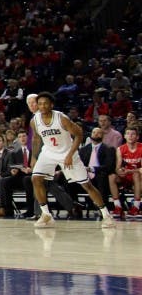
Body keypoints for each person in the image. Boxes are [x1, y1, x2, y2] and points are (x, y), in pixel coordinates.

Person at [28, 92, 114, 228]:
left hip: (67, 153)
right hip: (48, 153)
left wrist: (70, 155)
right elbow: (37, 138)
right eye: (39, 103)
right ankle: (46, 215)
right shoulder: (34, 121)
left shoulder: (61, 118)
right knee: (36, 178)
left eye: (45, 103)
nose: (42, 106)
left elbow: (79, 134)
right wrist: (33, 157)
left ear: (51, 105)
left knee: (86, 185)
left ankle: (106, 215)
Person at [112, 126, 142, 218]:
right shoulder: (120, 149)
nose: (130, 136)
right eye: (128, 134)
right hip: (126, 175)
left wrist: (130, 171)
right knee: (111, 176)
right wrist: (119, 171)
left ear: (137, 137)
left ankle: (135, 207)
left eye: (133, 134)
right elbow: (117, 167)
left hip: (138, 177)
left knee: (136, 174)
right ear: (124, 136)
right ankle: (118, 206)